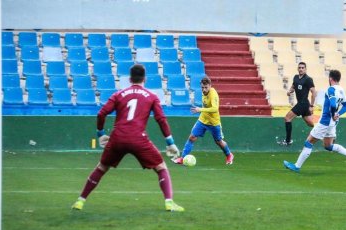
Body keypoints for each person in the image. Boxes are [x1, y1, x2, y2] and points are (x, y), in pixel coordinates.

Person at [72, 64, 184, 212]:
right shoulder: (152, 96)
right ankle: (169, 202)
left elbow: (101, 113)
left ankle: (80, 201)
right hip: (139, 139)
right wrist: (170, 143)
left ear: (130, 79)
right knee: (161, 168)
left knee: (101, 167)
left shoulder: (118, 94)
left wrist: (100, 134)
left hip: (117, 138)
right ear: (145, 79)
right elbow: (161, 119)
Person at [283, 69, 346, 172]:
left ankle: (297, 166)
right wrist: (338, 114)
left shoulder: (331, 90)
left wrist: (334, 114)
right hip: (333, 123)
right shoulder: (341, 90)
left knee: (309, 142)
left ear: (330, 79)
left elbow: (333, 104)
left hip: (325, 122)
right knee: (328, 146)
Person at [173, 76, 234, 165]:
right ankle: (182, 158)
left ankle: (229, 155)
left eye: (206, 87)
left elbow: (215, 109)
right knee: (192, 137)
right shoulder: (203, 93)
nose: (204, 89)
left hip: (214, 122)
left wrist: (200, 109)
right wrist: (201, 111)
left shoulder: (213, 94)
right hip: (203, 120)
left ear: (210, 86)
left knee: (218, 141)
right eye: (202, 87)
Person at [280, 62, 317, 146]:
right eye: (299, 67)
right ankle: (325, 133)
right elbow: (293, 87)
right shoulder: (296, 77)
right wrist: (289, 91)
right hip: (302, 104)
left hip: (303, 103)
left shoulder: (308, 79)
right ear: (297, 68)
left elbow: (314, 92)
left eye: (302, 67)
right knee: (311, 124)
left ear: (305, 69)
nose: (301, 69)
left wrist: (311, 106)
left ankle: (288, 141)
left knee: (287, 118)